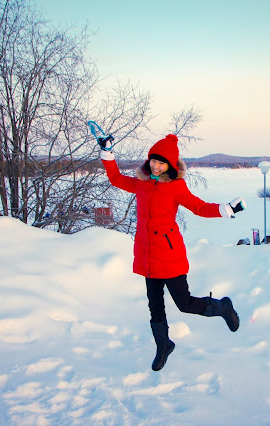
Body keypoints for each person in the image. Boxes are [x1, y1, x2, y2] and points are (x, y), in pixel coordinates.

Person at [98, 133, 246, 371]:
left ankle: (223, 308)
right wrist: (107, 153)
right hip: (147, 255)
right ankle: (164, 345)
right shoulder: (141, 183)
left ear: (171, 166)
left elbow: (199, 207)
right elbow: (115, 178)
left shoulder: (176, 187)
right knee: (154, 306)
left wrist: (225, 209)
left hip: (169, 255)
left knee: (184, 303)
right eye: (153, 161)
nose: (156, 166)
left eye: (161, 163)